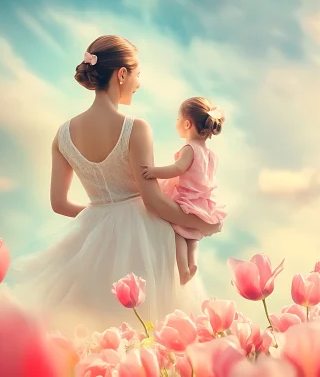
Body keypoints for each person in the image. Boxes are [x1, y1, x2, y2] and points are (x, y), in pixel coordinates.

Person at [13, 35, 220, 332]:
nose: (138, 82)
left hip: (91, 238)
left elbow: (58, 204)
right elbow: (153, 201)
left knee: (93, 329)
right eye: (137, 74)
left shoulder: (63, 134)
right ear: (121, 74)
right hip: (149, 239)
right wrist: (202, 224)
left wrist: (103, 218)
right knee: (151, 328)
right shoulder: (135, 128)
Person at [140, 97, 227, 285]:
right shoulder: (211, 154)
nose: (176, 123)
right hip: (202, 201)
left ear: (187, 123)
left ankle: (184, 270)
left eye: (178, 120)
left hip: (185, 198)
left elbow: (177, 169)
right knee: (193, 236)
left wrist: (154, 171)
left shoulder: (190, 148)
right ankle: (193, 263)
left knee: (178, 234)